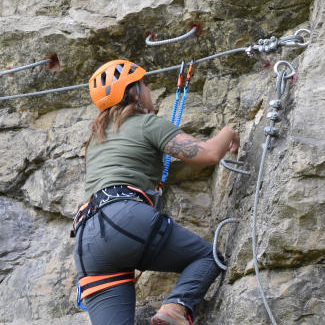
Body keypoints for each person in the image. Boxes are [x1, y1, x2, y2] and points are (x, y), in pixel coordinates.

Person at [72, 60, 240, 325]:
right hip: (124, 217)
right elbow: (209, 153)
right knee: (208, 257)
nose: (148, 89)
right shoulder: (146, 123)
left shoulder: (96, 137)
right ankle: (175, 308)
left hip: (86, 241)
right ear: (134, 91)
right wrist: (229, 131)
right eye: (144, 83)